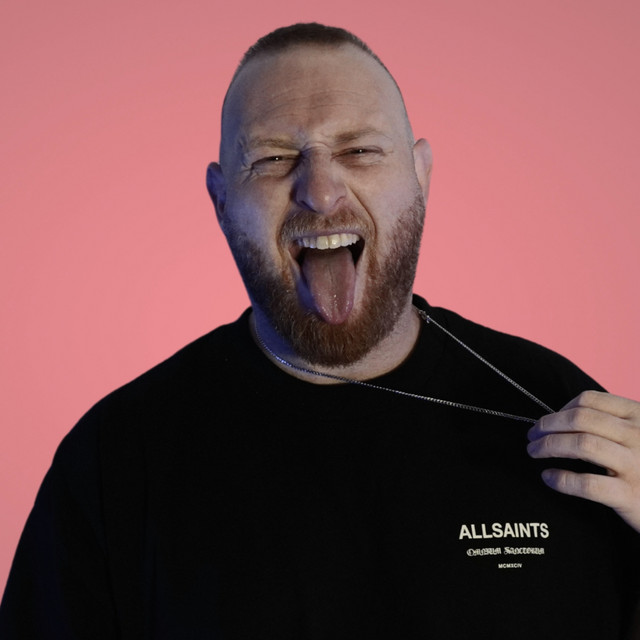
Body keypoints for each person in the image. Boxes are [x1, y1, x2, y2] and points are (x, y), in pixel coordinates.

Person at [1, 22, 639, 639]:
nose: (322, 191)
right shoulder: (117, 458)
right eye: (274, 158)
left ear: (419, 176)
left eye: (359, 151)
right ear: (221, 202)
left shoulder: (563, 411)